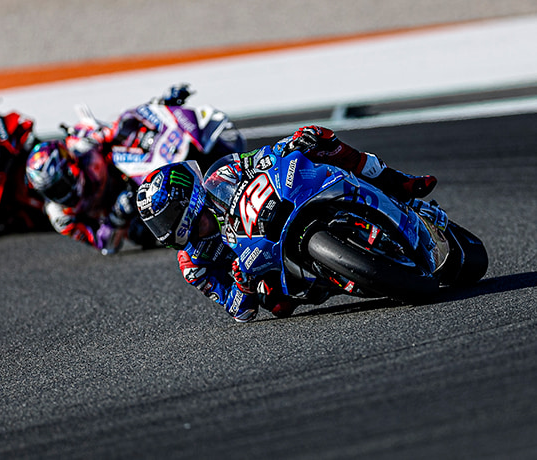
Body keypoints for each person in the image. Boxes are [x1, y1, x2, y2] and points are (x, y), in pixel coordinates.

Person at [135, 125, 437, 322]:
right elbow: (239, 311)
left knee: (316, 137)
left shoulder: (222, 177)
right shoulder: (193, 264)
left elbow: (260, 157)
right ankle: (342, 274)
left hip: (282, 204)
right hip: (270, 267)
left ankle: (398, 182)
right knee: (276, 304)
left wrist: (290, 145)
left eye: (166, 218)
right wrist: (242, 285)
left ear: (184, 198)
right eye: (158, 225)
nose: (165, 230)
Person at [25, 139, 153, 254]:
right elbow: (104, 245)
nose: (57, 195)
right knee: (140, 233)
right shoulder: (60, 216)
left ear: (69, 169)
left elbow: (107, 131)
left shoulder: (82, 147)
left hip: (128, 173)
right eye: (48, 192)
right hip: (117, 211)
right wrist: (117, 215)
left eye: (59, 187)